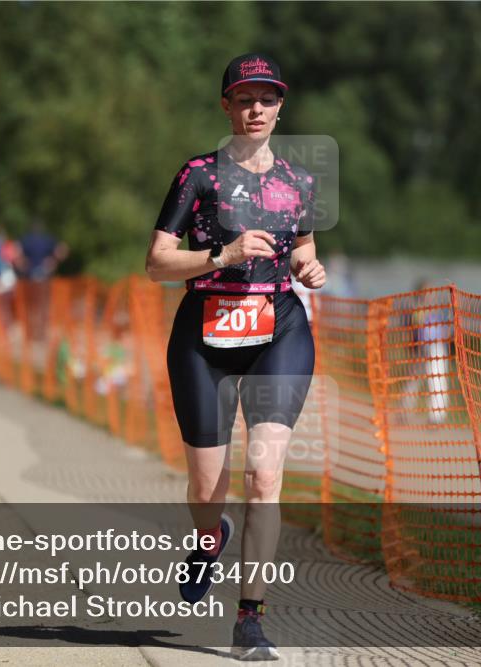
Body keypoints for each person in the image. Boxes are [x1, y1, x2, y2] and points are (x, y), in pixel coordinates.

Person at [145, 53, 326, 661]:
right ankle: (208, 536)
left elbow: (302, 248)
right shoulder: (198, 175)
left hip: (280, 330)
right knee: (207, 491)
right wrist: (220, 257)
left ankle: (250, 617)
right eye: (244, 98)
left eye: (267, 99)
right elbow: (155, 263)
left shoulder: (299, 182)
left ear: (281, 106)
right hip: (206, 335)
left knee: (265, 476)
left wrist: (310, 266)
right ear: (226, 104)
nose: (256, 109)